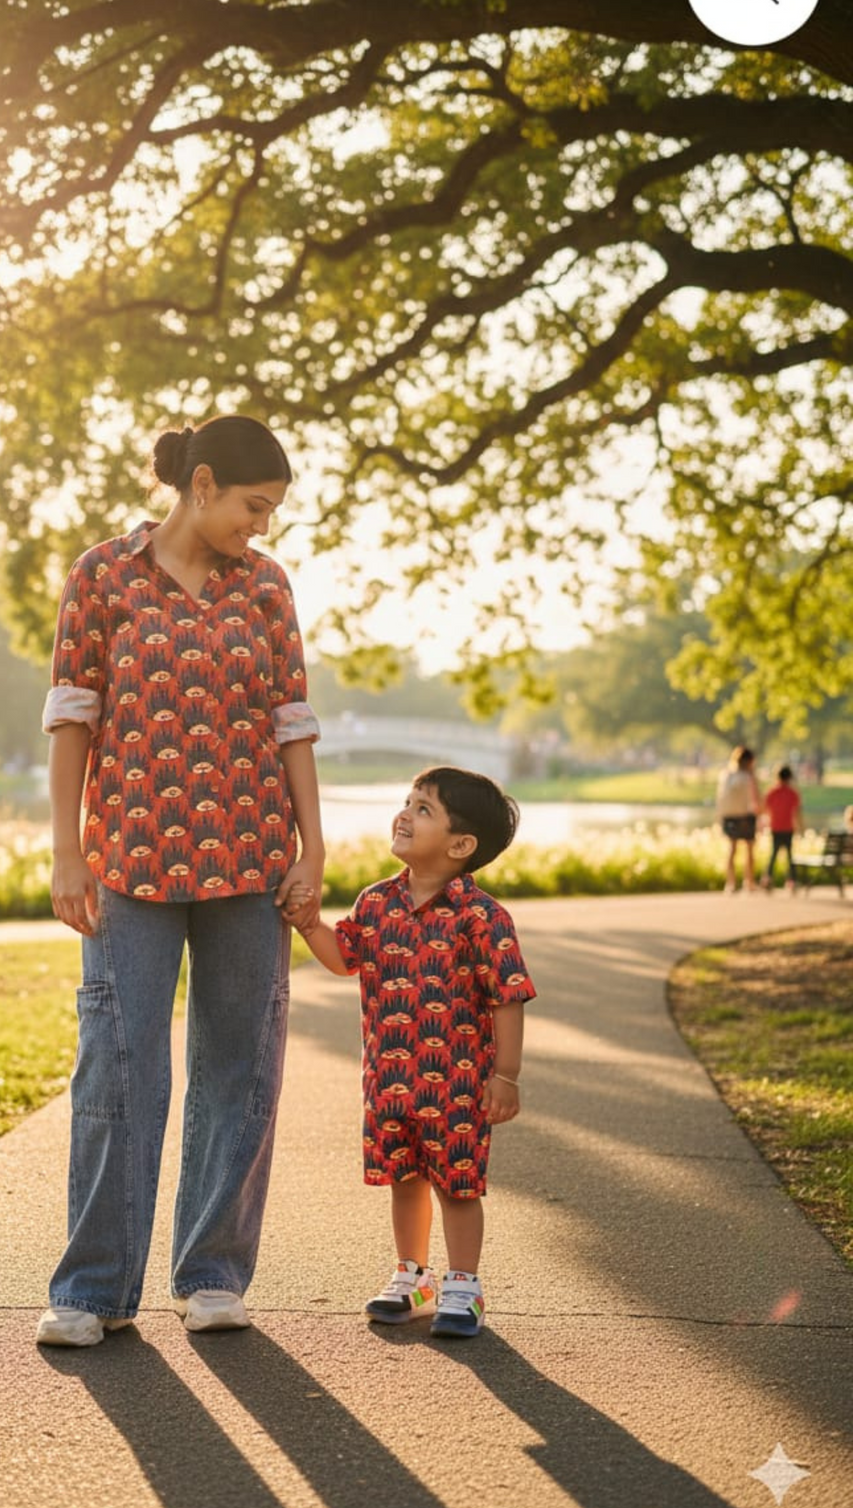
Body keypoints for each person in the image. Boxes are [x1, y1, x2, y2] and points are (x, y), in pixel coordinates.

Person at [36, 415, 324, 1347]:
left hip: (251, 859)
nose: (262, 526)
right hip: (129, 859)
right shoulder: (102, 576)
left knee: (241, 1066)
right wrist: (66, 849)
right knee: (119, 1064)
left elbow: (291, 722)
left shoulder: (267, 587)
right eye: (254, 506)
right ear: (201, 486)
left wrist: (313, 849)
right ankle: (93, 1291)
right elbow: (73, 716)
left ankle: (211, 1275)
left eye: (270, 511)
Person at [283, 766, 537, 1339]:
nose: (404, 814)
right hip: (390, 1076)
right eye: (407, 801)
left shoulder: (483, 918)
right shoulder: (377, 902)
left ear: (460, 845)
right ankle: (413, 1275)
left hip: (458, 1085)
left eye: (424, 809)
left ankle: (463, 1283)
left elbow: (508, 996)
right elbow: (344, 957)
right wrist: (308, 925)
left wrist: (506, 1075)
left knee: (458, 1184)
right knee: (404, 1177)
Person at [715, 745, 761, 893]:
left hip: (729, 816)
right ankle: (749, 882)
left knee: (732, 850)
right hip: (745, 815)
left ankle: (730, 883)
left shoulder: (726, 775)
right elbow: (754, 799)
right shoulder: (748, 777)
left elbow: (720, 799)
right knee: (749, 850)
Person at [762, 765, 803, 891]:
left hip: (776, 827)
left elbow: (765, 809)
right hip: (788, 828)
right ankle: (792, 880)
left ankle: (768, 878)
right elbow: (797, 812)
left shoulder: (772, 792)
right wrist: (801, 827)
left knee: (773, 854)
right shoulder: (793, 793)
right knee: (790, 856)